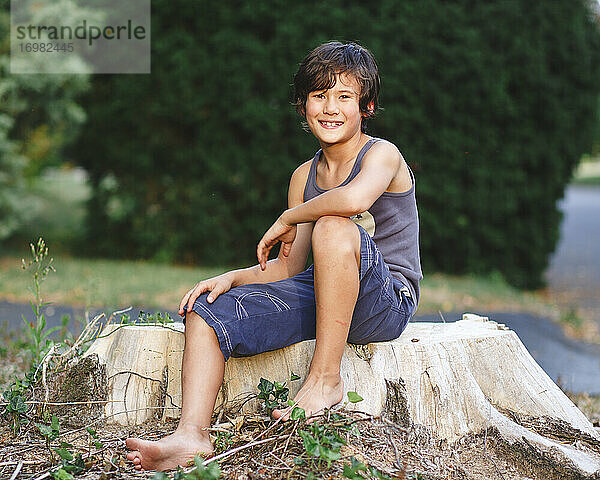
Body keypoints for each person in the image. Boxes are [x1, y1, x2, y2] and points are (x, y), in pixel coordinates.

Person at [126, 41, 422, 471]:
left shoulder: (382, 155)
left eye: (344, 96)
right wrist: (232, 278)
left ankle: (325, 380)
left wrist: (290, 215)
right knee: (206, 310)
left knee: (335, 226)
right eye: (319, 95)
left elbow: (352, 198)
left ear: (367, 106)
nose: (330, 107)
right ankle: (192, 435)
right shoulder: (304, 176)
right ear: (303, 106)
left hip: (384, 301)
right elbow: (289, 266)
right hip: (325, 292)